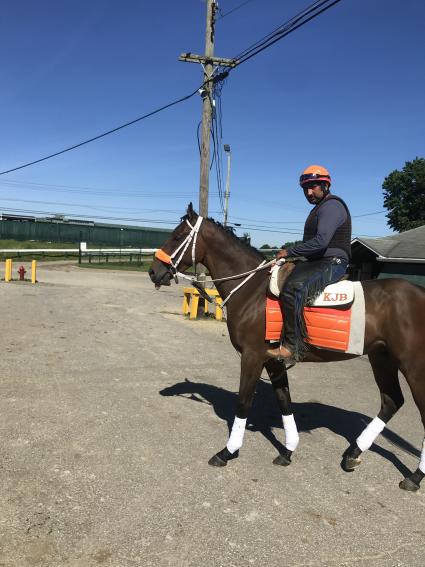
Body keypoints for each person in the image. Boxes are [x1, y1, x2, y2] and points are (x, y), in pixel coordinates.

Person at [266, 164, 352, 361]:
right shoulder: (319, 208)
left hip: (333, 261)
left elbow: (321, 241)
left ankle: (293, 346)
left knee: (292, 289)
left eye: (313, 186)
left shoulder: (332, 206)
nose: (308, 191)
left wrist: (289, 252)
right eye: (305, 188)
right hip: (317, 260)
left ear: (325, 185)